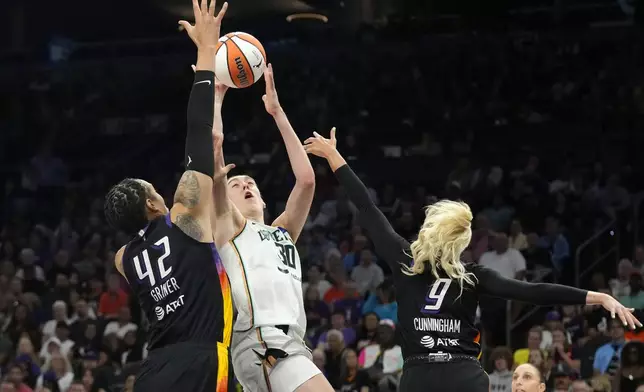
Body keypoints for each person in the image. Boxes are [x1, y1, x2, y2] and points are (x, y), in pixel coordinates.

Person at [303, 129, 642, 392]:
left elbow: (368, 208)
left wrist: (335, 157)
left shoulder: (405, 259)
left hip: (419, 375)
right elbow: (533, 291)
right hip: (463, 374)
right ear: (461, 242)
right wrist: (595, 296)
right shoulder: (472, 276)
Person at [103, 1, 232, 391]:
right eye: (155, 191)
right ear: (153, 204)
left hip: (154, 368)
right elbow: (197, 131)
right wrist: (207, 51)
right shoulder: (185, 219)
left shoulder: (124, 258)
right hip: (202, 361)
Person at [208, 64, 332, 391]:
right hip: (261, 340)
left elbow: (306, 180)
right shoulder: (231, 227)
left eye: (251, 183)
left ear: (263, 202)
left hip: (290, 342)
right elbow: (214, 151)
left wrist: (277, 112)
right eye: (237, 184)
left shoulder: (282, 232)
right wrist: (217, 100)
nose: (246, 184)